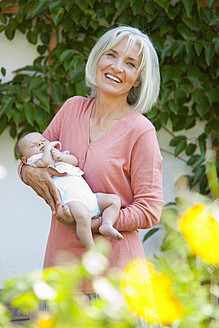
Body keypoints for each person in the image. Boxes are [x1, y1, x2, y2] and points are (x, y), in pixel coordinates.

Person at [19, 26, 164, 294]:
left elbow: (149, 209)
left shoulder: (141, 131)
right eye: (112, 55)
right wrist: (28, 173)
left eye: (130, 63)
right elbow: (31, 157)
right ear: (98, 59)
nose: (117, 67)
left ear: (137, 80)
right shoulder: (71, 108)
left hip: (117, 279)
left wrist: (94, 223)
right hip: (61, 273)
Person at [16, 132, 122, 249]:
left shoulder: (57, 154)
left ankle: (106, 224)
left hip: (90, 196)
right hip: (73, 200)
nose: (41, 143)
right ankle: (91, 247)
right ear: (25, 160)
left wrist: (62, 157)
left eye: (43, 140)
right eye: (33, 145)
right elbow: (47, 162)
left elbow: (75, 161)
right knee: (83, 216)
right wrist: (48, 147)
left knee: (114, 200)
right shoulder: (35, 161)